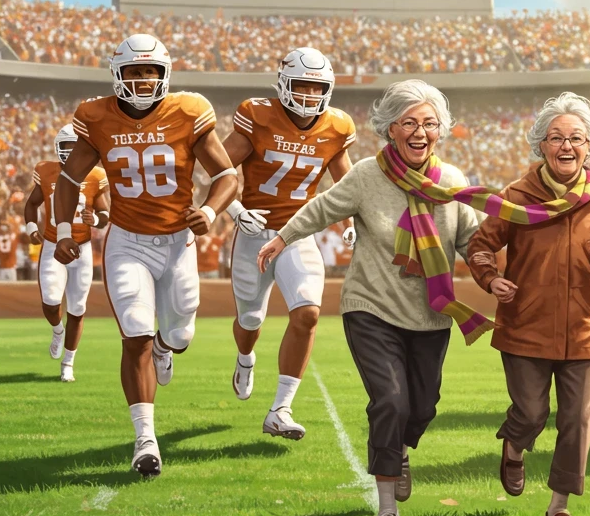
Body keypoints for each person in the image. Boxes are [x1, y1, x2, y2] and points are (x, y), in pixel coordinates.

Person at [256, 80, 480, 516]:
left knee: (422, 407)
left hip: (430, 314)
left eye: (430, 123)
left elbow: (471, 240)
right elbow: (320, 208)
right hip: (370, 309)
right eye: (410, 123)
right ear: (390, 129)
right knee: (391, 402)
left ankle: (398, 449)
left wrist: (490, 265)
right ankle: (386, 513)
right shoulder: (364, 175)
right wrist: (283, 238)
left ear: (441, 131)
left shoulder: (454, 182)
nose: (420, 132)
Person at [53, 34, 237, 477]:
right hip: (127, 241)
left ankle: (165, 347)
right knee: (134, 332)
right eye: (134, 72)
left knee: (179, 333)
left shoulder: (188, 111)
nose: (143, 80)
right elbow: (68, 177)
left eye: (151, 72)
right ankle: (145, 439)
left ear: (165, 75)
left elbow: (228, 173)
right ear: (118, 75)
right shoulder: (95, 116)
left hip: (178, 242)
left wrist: (211, 210)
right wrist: (62, 229)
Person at [467, 93, 590, 516]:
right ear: (541, 145)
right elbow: (480, 245)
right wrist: (490, 278)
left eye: (575, 138)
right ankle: (515, 446)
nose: (566, 145)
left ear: (589, 146)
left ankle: (558, 509)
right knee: (531, 413)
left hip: (586, 327)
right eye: (556, 137)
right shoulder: (516, 196)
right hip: (526, 324)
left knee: (577, 420)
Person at [222, 48, 355, 439]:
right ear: (283, 84)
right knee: (250, 320)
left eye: (318, 87)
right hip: (253, 233)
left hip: (298, 233)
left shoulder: (337, 126)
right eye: (303, 85)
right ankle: (245, 358)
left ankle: (281, 408)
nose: (311, 95)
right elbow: (219, 170)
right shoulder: (258, 115)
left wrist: (351, 223)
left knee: (308, 312)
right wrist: (233, 210)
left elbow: (344, 187)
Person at [23, 123, 109, 381]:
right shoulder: (46, 171)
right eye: (66, 148)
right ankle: (57, 330)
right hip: (52, 245)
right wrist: (31, 228)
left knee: (78, 308)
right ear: (57, 148)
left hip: (81, 249)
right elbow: (31, 204)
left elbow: (105, 214)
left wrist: (94, 219)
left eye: (76, 148)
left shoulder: (95, 175)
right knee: (50, 302)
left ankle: (68, 364)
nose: (71, 153)